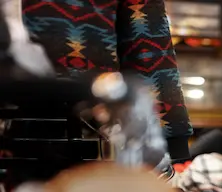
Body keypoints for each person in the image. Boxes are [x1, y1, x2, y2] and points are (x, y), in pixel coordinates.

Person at [20, 0, 192, 161]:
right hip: (83, 119)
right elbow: (147, 42)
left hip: (84, 119)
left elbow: (147, 39)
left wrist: (172, 139)